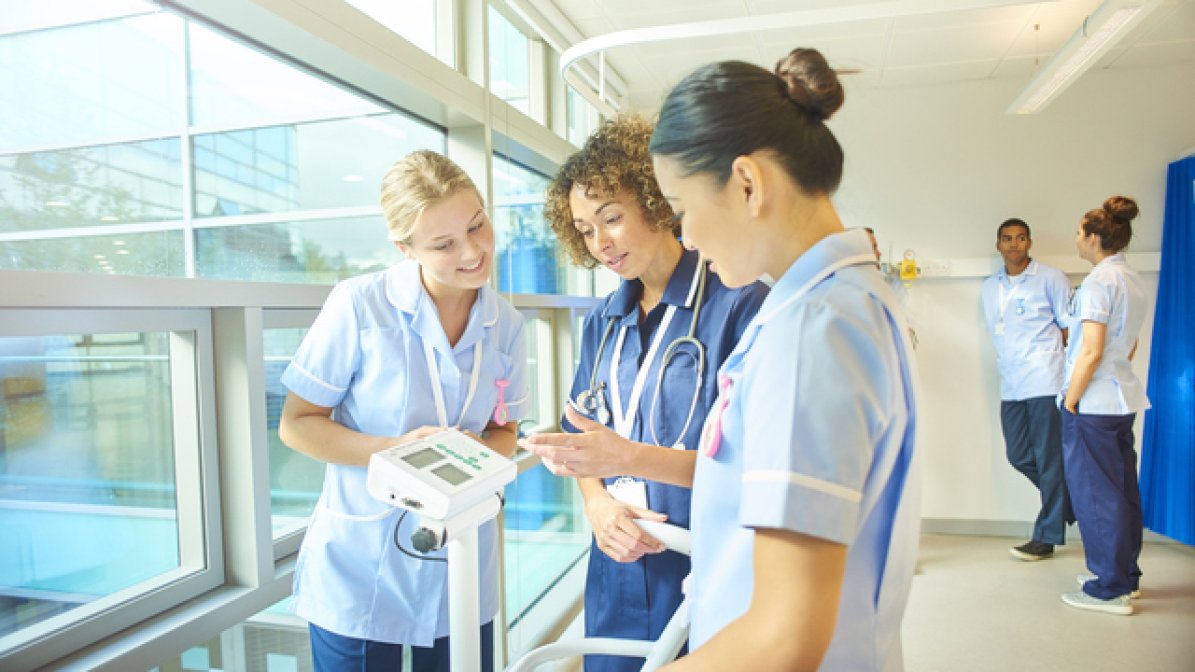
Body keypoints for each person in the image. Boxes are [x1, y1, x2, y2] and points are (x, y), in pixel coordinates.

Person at [649, 48, 920, 671]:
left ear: (747, 183)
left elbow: (785, 636)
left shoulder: (813, 331)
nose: (685, 236)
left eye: (681, 207)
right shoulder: (848, 302)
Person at [521, 114, 767, 672]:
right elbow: (584, 439)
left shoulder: (739, 305)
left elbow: (755, 468)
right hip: (617, 565)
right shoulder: (601, 321)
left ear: (657, 203)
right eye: (584, 229)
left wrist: (629, 459)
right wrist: (598, 503)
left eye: (611, 218)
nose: (600, 243)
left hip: (704, 565)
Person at [277, 150, 529, 671]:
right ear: (405, 247)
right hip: (362, 561)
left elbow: (505, 429)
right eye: (444, 244)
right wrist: (398, 452)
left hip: (460, 561)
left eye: (477, 226)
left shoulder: (506, 325)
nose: (472, 252)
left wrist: (472, 458)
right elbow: (297, 426)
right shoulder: (358, 305)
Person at [1059, 196, 1150, 616]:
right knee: (1121, 492)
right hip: (1121, 398)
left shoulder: (1098, 281)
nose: (1077, 238)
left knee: (1097, 495)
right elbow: (1126, 347)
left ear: (1094, 238)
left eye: (1080, 232)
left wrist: (1071, 399)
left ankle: (1109, 586)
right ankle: (1124, 575)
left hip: (1093, 404)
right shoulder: (1130, 278)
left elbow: (1091, 352)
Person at [980, 218, 1074, 561]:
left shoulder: (1050, 278)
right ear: (998, 245)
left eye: (1020, 238)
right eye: (1007, 239)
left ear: (1030, 243)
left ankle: (1046, 536)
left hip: (1045, 380)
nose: (1014, 245)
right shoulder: (990, 287)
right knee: (1018, 455)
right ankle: (1069, 502)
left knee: (1049, 458)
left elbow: (1069, 330)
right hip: (1011, 383)